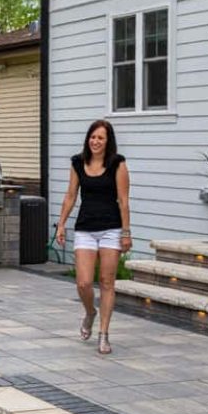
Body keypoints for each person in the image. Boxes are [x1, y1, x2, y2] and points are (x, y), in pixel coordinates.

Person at [55, 119, 132, 355]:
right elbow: (70, 196)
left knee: (107, 282)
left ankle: (104, 334)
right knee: (84, 282)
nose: (96, 141)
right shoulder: (78, 162)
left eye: (101, 138)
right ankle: (90, 312)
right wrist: (61, 224)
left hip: (111, 229)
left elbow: (124, 201)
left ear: (108, 142)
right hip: (85, 228)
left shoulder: (117, 164)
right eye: (93, 137)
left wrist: (126, 233)